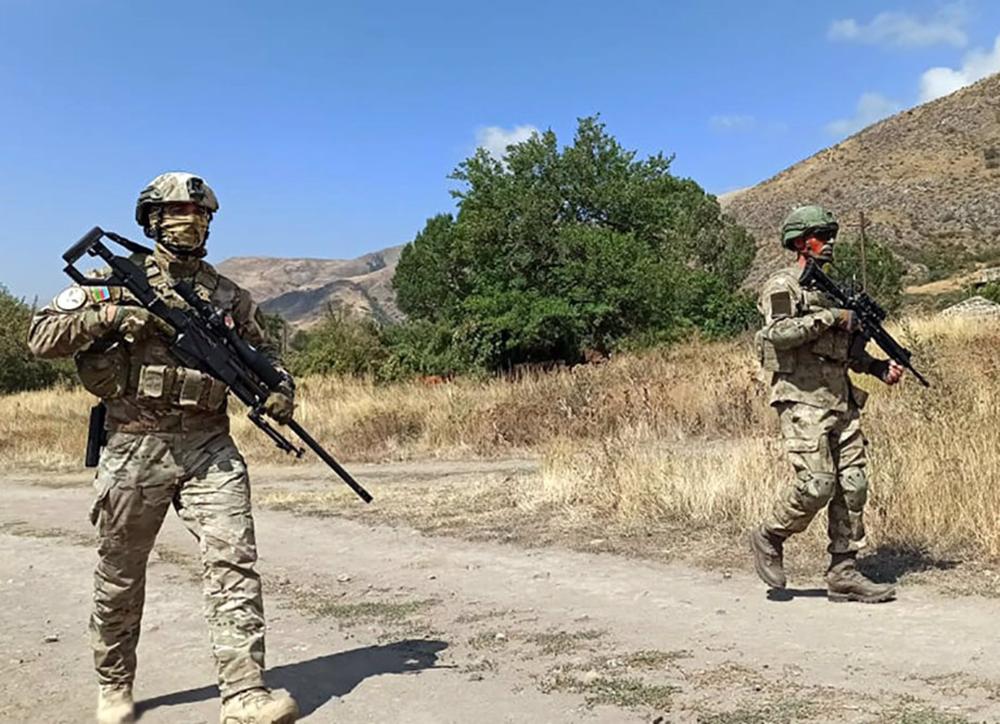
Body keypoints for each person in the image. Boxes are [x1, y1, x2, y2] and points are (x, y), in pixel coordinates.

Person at [28, 172, 300, 724]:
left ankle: (245, 694)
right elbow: (38, 338)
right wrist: (109, 315)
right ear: (151, 220)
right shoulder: (115, 281)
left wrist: (281, 391)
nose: (189, 222)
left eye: (199, 214)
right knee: (121, 571)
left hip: (209, 445)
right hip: (134, 445)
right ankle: (114, 683)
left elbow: (266, 359)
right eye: (175, 212)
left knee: (233, 562)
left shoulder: (228, 295)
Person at [748, 204, 904, 604]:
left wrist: (877, 366)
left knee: (853, 486)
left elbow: (843, 353)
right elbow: (777, 334)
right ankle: (770, 534)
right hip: (802, 400)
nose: (830, 242)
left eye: (831, 235)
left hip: (841, 399)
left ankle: (843, 572)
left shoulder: (829, 292)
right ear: (801, 241)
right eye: (823, 235)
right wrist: (831, 317)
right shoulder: (784, 286)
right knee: (817, 485)